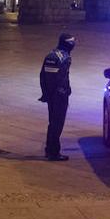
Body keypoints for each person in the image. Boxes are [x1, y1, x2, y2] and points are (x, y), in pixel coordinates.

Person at [38, 32, 75, 161]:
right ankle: (53, 152)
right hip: (59, 95)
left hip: (50, 94)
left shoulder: (51, 55)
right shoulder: (64, 57)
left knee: (52, 123)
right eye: (72, 42)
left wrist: (45, 93)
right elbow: (63, 78)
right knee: (57, 124)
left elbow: (42, 75)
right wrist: (65, 91)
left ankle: (49, 150)